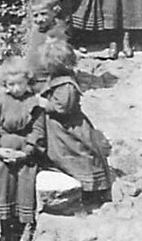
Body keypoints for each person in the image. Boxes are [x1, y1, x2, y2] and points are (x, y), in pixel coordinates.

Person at [0, 57, 45, 241]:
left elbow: (38, 130)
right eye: (10, 85)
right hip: (2, 159)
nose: (16, 88)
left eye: (20, 83)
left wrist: (26, 152)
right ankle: (4, 238)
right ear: (4, 85)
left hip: (24, 158)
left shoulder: (34, 102)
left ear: (27, 81)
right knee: (3, 199)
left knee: (19, 200)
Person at [37, 38, 112, 196]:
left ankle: (91, 187)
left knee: (77, 151)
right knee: (62, 153)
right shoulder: (57, 79)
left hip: (69, 128)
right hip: (59, 128)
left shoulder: (67, 85)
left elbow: (63, 107)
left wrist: (45, 103)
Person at [26, 0, 69, 91]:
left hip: (48, 78)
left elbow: (59, 59)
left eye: (43, 14)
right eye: (35, 15)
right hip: (33, 75)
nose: (40, 19)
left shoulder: (57, 31)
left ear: (54, 12)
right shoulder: (36, 29)